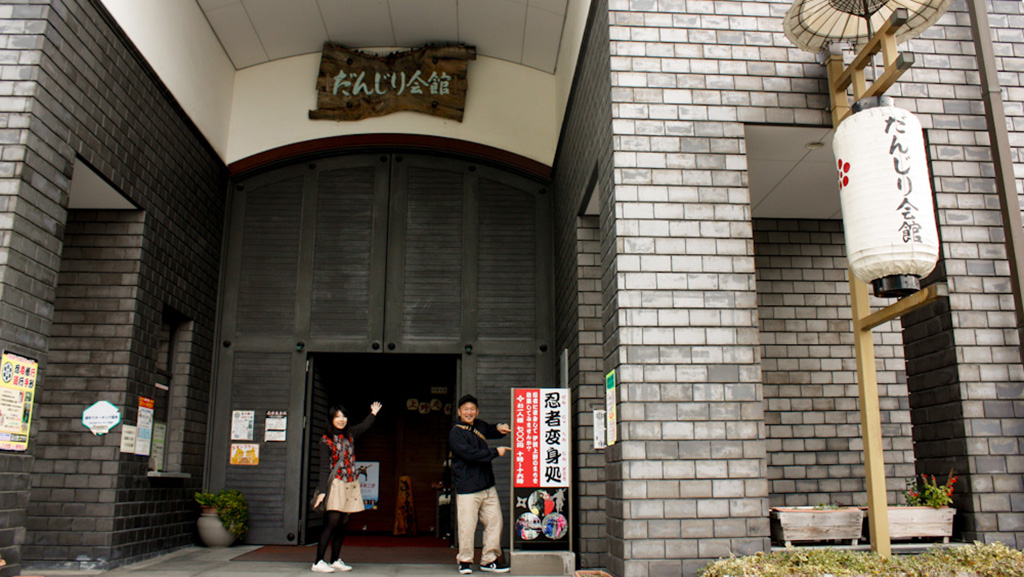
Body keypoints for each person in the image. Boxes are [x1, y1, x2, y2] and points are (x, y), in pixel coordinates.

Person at [311, 401, 382, 573]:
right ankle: (318, 561)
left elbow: (364, 426)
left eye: (343, 416)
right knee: (332, 522)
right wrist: (322, 491)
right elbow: (322, 468)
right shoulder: (325, 441)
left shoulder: (350, 434)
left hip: (351, 482)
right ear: (331, 419)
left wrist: (373, 413)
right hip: (336, 483)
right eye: (337, 417)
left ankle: (335, 559)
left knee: (343, 522)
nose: (341, 420)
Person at [449, 394, 511, 574]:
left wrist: (501, 426)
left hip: (487, 486)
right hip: (468, 489)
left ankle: (489, 560)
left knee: (495, 522)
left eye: (472, 409)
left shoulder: (479, 425)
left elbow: (492, 430)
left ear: (477, 411)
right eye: (465, 410)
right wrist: (495, 452)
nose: (469, 412)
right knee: (467, 527)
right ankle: (465, 561)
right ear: (459, 412)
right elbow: (470, 454)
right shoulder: (456, 432)